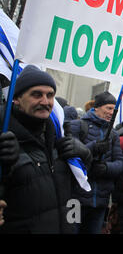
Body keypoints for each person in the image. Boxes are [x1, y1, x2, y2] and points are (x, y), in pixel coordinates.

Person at [0, 65, 91, 233]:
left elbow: (74, 195)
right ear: (16, 98)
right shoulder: (4, 135)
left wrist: (86, 158)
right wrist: (4, 167)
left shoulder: (58, 137)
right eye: (36, 94)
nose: (45, 101)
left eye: (50, 95)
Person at [70, 91, 123, 234]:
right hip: (75, 200)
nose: (111, 112)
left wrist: (105, 168)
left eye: (114, 109)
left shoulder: (113, 134)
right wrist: (92, 148)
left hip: (100, 201)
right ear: (96, 107)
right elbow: (70, 157)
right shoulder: (77, 126)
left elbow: (120, 163)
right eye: (108, 108)